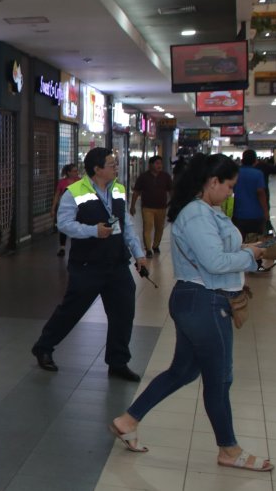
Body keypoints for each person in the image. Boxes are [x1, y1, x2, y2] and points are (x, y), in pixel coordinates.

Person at [108, 154, 272, 472]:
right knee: (219, 378)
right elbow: (215, 263)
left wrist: (249, 252)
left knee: (183, 371)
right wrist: (251, 255)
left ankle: (127, 421)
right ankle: (229, 448)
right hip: (204, 302)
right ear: (212, 182)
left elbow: (218, 255)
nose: (230, 192)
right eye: (229, 186)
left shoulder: (205, 211)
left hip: (199, 301)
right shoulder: (197, 215)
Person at [32, 147, 149, 380]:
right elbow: (63, 223)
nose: (116, 166)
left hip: (116, 263)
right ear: (97, 169)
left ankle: (118, 362)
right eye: (111, 163)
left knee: (123, 312)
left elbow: (125, 225)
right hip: (88, 265)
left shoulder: (118, 190)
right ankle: (44, 347)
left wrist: (139, 254)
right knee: (72, 310)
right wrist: (92, 231)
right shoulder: (74, 191)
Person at [130, 155, 173, 258]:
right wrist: (132, 206)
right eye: (157, 163)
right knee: (147, 227)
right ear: (150, 165)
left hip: (161, 207)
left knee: (159, 228)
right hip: (147, 207)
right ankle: (148, 249)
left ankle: (155, 245)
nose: (159, 165)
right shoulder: (143, 177)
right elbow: (136, 192)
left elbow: (171, 190)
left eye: (160, 163)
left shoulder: (165, 176)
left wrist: (173, 203)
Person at [231, 150, 268, 241]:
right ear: (255, 160)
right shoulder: (258, 174)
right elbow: (261, 193)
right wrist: (266, 212)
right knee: (255, 241)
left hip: (238, 214)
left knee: (240, 241)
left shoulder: (236, 173)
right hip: (256, 215)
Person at [52, 164, 79, 257]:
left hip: (77, 208)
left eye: (77, 171)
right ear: (69, 172)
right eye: (74, 171)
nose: (76, 173)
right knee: (64, 227)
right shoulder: (62, 182)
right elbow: (57, 195)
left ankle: (75, 247)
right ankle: (62, 247)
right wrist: (53, 208)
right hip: (65, 209)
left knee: (76, 227)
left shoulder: (79, 181)